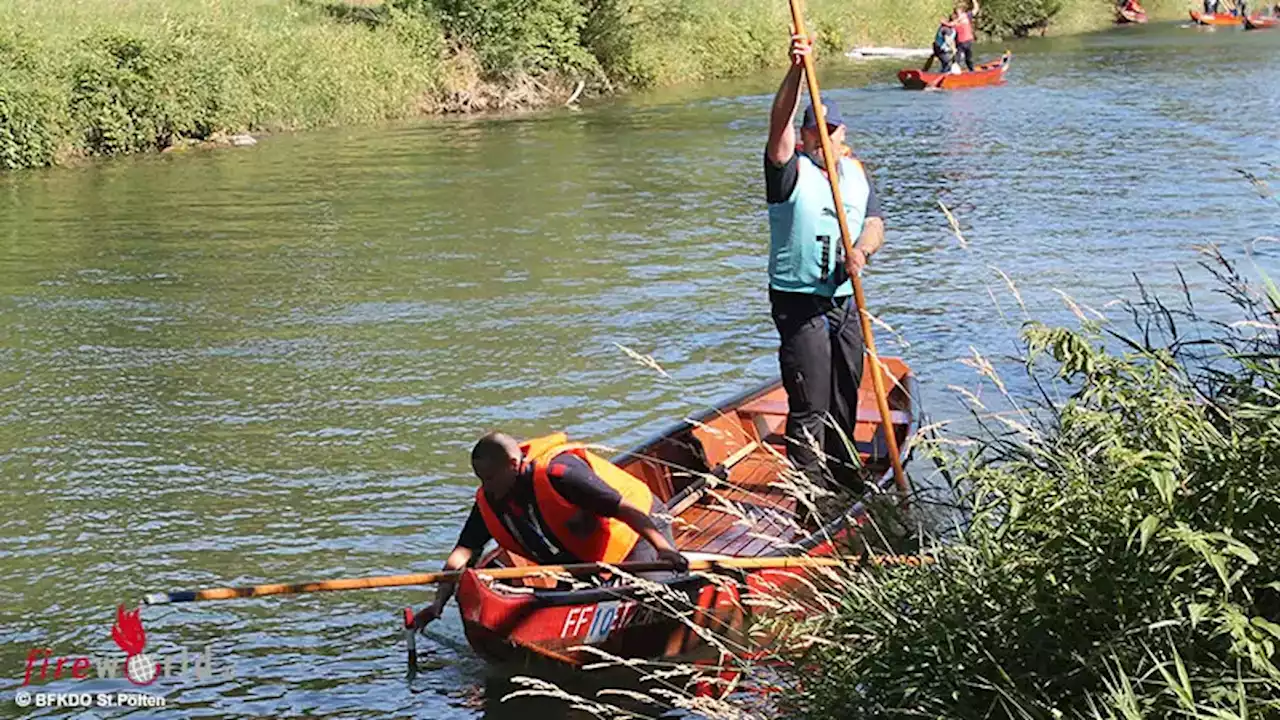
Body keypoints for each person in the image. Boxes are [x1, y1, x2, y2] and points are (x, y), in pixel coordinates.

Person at [764, 33, 886, 498]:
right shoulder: (789, 171)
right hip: (800, 304)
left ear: (840, 134)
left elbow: (875, 223)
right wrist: (797, 69)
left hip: (843, 300)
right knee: (810, 403)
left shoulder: (855, 174)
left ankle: (845, 473)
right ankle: (809, 496)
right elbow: (779, 123)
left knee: (845, 392)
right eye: (811, 130)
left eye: (827, 131)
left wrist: (861, 251)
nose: (819, 138)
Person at [412, 431, 687, 631]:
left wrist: (663, 548)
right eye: (481, 479)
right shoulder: (490, 500)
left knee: (661, 602)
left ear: (512, 464)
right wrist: (438, 604)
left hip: (638, 529)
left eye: (492, 477)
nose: (487, 486)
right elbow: (462, 553)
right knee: (572, 602)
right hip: (584, 555)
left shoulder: (561, 474)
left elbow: (625, 510)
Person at [952, 0, 979, 72]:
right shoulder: (954, 21)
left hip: (968, 41)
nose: (958, 14)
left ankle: (972, 72)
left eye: (959, 12)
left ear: (962, 11)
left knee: (968, 59)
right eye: (957, 12)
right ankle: (954, 72)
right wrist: (953, 47)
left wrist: (974, 1)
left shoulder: (967, 15)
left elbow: (976, 9)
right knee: (957, 59)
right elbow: (952, 35)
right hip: (960, 43)